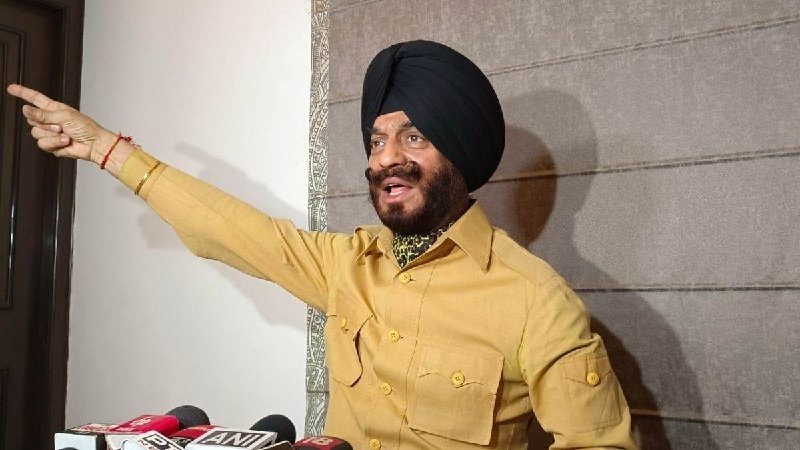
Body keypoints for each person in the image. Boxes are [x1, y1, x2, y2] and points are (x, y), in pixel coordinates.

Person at [8, 40, 636, 449]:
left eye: (414, 137)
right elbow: (232, 230)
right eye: (376, 140)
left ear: (461, 153)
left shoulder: (535, 299)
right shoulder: (347, 263)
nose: (385, 158)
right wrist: (108, 150)